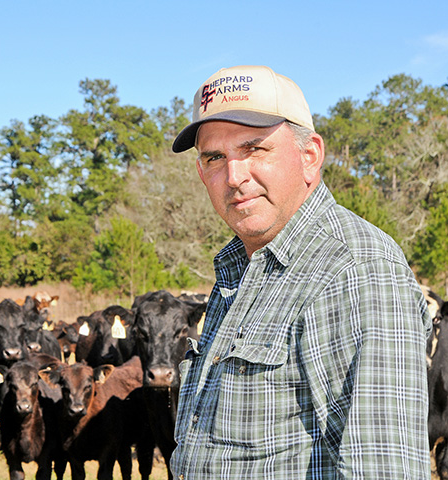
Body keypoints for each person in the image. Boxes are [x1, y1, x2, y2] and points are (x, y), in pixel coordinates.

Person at [169, 65, 431, 479]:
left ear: (309, 157)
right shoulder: (242, 268)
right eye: (215, 157)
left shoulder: (352, 270)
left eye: (254, 149)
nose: (234, 177)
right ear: (201, 172)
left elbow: (382, 467)